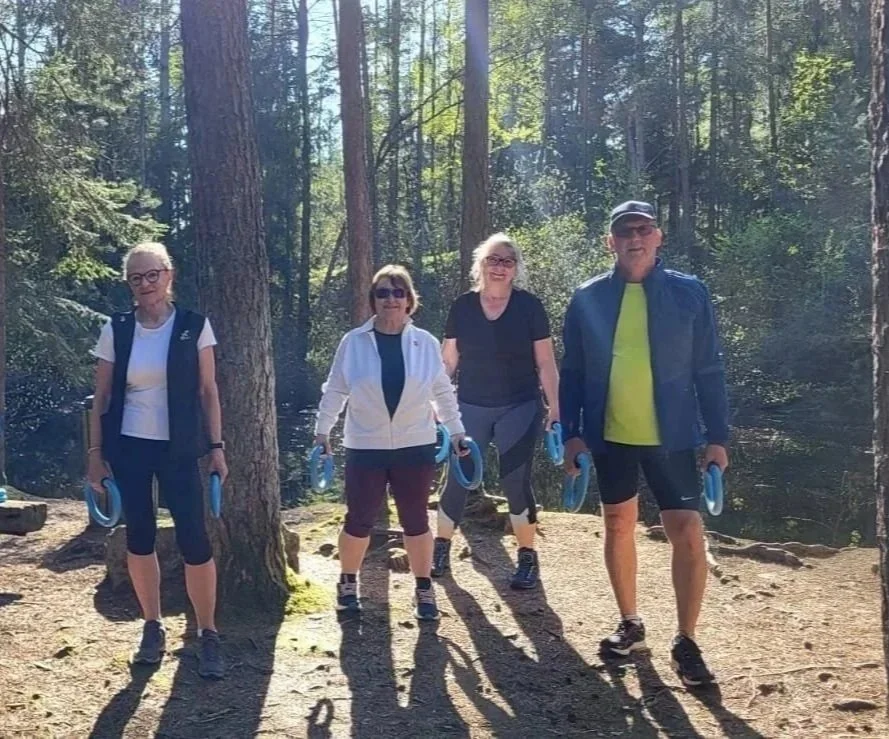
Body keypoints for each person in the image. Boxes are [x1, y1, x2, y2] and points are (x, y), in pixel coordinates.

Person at [559, 201, 729, 686]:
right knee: (617, 525)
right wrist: (571, 432)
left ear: (658, 237)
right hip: (610, 435)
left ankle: (688, 641)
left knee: (688, 531)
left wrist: (718, 436)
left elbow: (709, 368)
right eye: (623, 231)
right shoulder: (587, 297)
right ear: (609, 241)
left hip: (672, 436)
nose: (634, 237)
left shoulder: (689, 293)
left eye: (643, 229)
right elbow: (571, 371)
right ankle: (631, 624)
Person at [87, 242, 228, 679]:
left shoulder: (194, 326)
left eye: (152, 275)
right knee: (139, 537)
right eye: (136, 277)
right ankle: (152, 625)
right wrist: (95, 455)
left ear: (169, 275)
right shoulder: (118, 328)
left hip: (181, 447)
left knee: (195, 540)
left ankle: (207, 631)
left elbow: (209, 392)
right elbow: (103, 396)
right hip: (129, 446)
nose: (145, 284)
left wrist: (218, 448)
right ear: (129, 284)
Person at [313, 265, 465, 621]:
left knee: (416, 520)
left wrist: (457, 432)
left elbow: (442, 391)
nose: (391, 299)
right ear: (373, 300)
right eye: (383, 292)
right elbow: (336, 389)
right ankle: (348, 583)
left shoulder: (425, 343)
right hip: (365, 445)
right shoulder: (353, 342)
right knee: (359, 519)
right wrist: (322, 432)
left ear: (410, 300)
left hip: (416, 444)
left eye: (398, 292)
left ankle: (424, 588)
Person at [432, 233, 560, 590]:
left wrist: (556, 409)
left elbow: (546, 363)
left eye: (507, 261)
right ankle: (440, 548)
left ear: (515, 268)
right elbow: (447, 362)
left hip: (519, 406)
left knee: (515, 481)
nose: (500, 267)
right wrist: (436, 407)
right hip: (469, 406)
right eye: (493, 259)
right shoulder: (462, 307)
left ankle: (527, 557)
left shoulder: (530, 307)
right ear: (481, 265)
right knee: (458, 478)